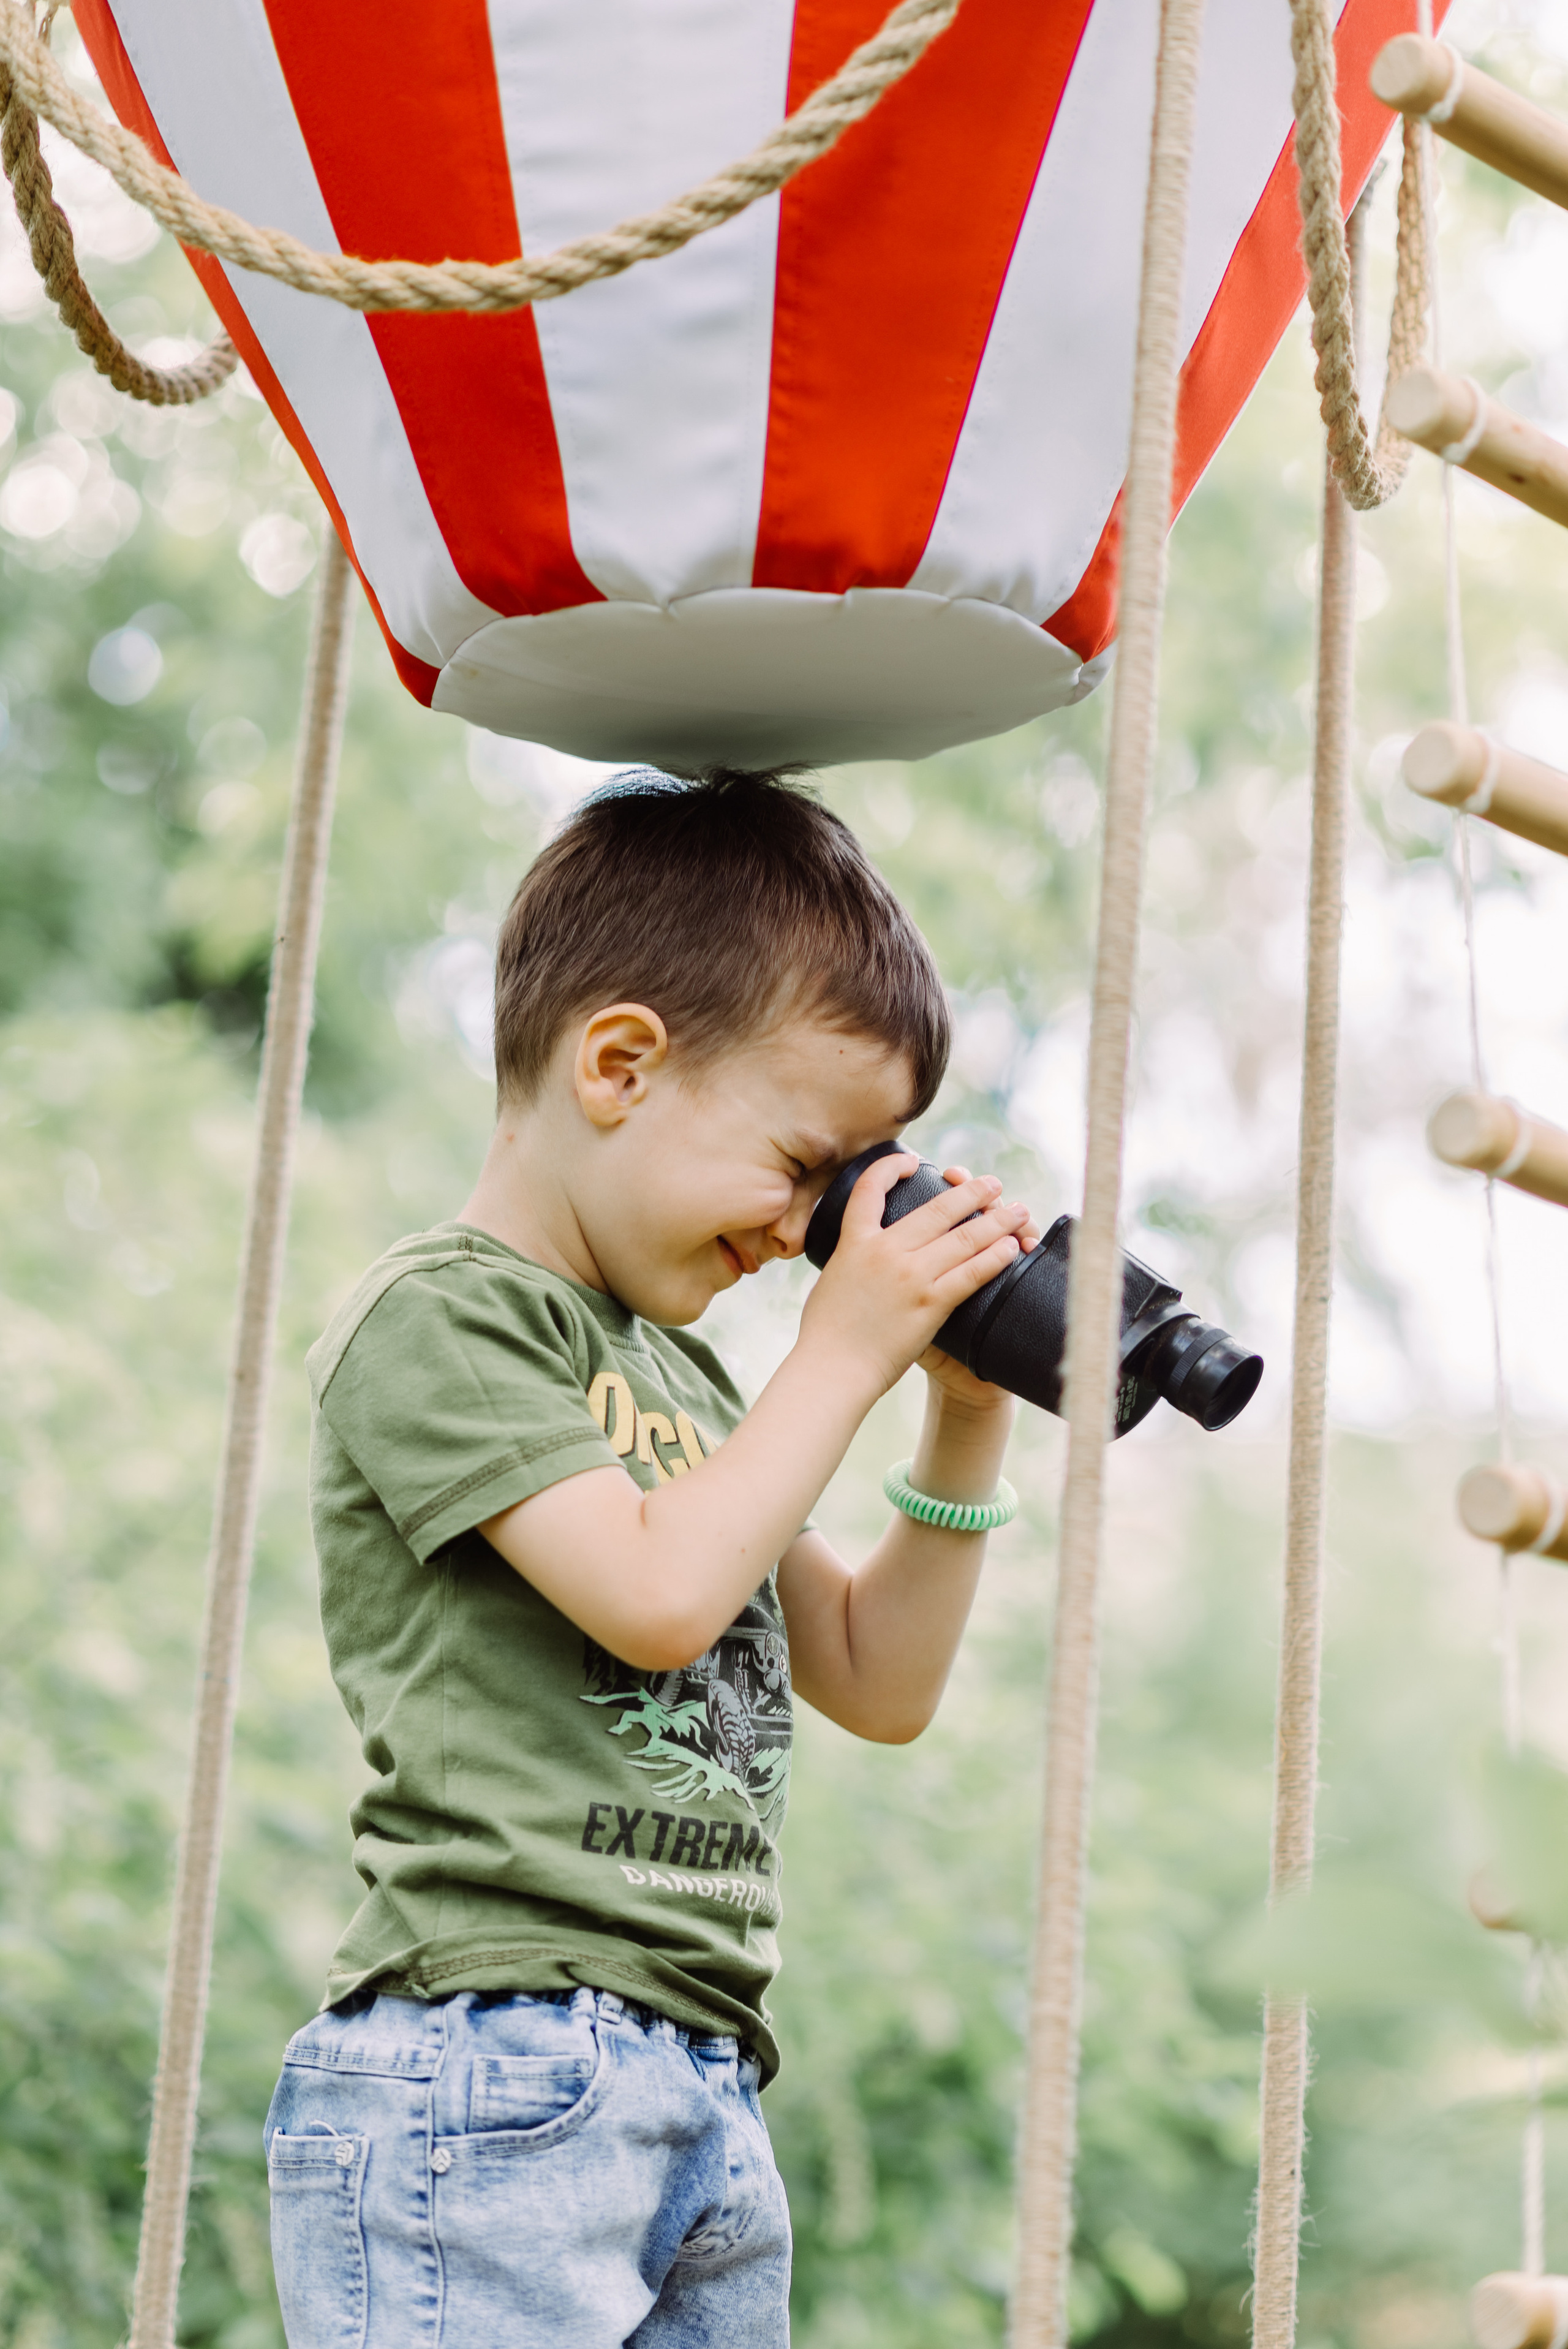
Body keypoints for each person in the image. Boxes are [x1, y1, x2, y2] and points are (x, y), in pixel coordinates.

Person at [264, 766, 1036, 2348]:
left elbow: (875, 1679)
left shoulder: (688, 1387)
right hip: (490, 2066)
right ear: (618, 1062)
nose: (802, 1233)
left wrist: (960, 1413)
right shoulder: (443, 1313)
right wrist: (840, 1350)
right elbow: (659, 1598)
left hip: (695, 2071)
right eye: (806, 1167)